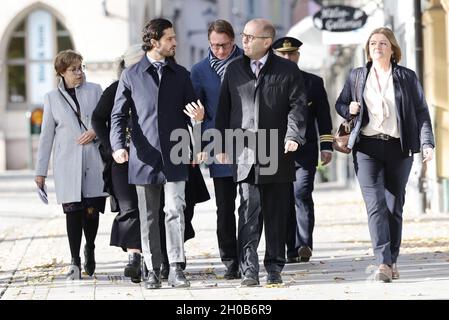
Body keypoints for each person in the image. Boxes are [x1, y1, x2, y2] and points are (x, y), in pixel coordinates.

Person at [110, 18, 205, 289]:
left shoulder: (181, 74)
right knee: (149, 215)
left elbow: (195, 114)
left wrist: (198, 130)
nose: (175, 42)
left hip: (176, 152)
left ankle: (176, 267)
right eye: (170, 39)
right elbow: (118, 115)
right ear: (155, 42)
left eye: (175, 38)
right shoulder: (131, 75)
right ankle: (152, 269)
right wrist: (118, 146)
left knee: (176, 209)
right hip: (144, 157)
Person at [335, 27, 435, 282]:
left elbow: (421, 112)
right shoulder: (358, 76)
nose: (377, 47)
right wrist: (350, 108)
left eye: (382, 43)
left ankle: (392, 258)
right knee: (376, 204)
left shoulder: (406, 77)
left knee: (394, 205)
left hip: (398, 148)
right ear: (368, 50)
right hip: (366, 147)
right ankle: (382, 263)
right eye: (372, 44)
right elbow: (341, 103)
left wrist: (426, 143)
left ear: (392, 49)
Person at [215, 19, 307, 286]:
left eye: (249, 37)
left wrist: (293, 135)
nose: (244, 41)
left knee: (276, 213)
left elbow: (297, 107)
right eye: (243, 36)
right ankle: (249, 269)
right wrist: (220, 144)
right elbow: (223, 109)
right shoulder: (233, 70)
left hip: (276, 152)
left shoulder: (287, 70)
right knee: (248, 212)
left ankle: (275, 266)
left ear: (266, 42)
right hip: (244, 153)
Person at [35, 50, 108, 280]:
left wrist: (95, 131)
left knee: (91, 212)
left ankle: (90, 247)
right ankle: (75, 261)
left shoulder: (95, 90)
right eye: (73, 69)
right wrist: (40, 172)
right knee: (73, 212)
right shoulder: (51, 99)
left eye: (81, 67)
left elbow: (107, 119)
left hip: (93, 161)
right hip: (67, 163)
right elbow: (46, 136)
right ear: (61, 72)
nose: (79, 73)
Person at [190, 19, 244, 279]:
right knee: (225, 206)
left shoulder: (248, 63)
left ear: (233, 41)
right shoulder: (199, 70)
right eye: (214, 46)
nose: (219, 51)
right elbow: (196, 112)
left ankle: (248, 257)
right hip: (218, 146)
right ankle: (230, 260)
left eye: (224, 45)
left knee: (251, 204)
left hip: (250, 144)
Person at [272, 36, 333, 263]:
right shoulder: (268, 81)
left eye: (292, 53)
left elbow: (324, 118)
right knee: (284, 199)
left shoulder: (313, 83)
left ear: (298, 55)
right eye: (283, 54)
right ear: (276, 56)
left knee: (301, 193)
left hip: (305, 152)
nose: (288, 57)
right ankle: (290, 249)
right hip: (276, 153)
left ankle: (303, 244)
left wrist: (326, 146)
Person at [91, 45, 144, 283]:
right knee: (129, 206)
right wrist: (112, 148)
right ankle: (134, 258)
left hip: (151, 157)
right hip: (122, 159)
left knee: (155, 208)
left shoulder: (155, 86)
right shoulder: (114, 90)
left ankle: (159, 258)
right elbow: (98, 119)